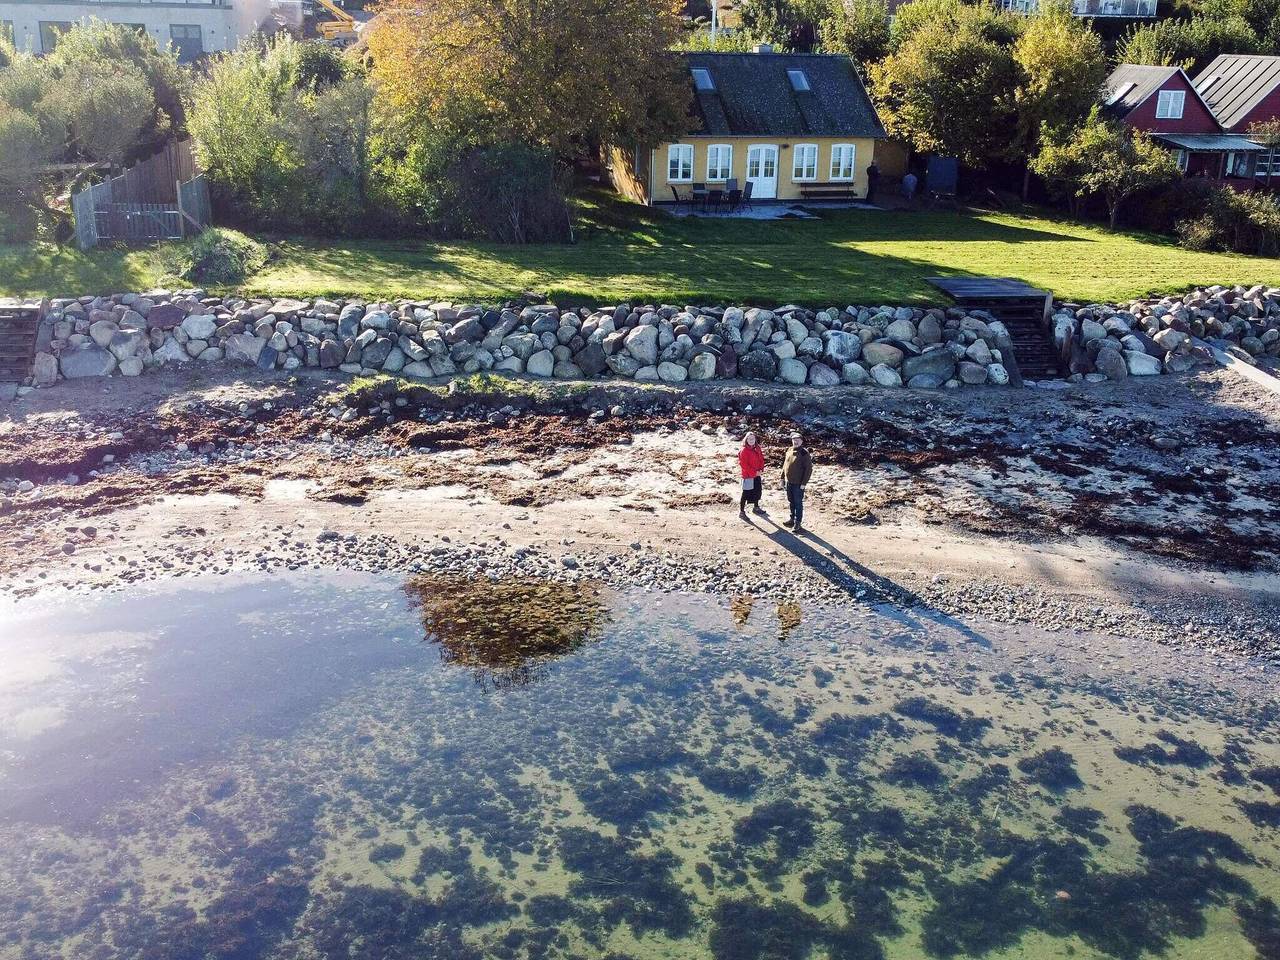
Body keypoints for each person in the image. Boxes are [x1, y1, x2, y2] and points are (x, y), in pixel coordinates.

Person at [780, 433, 812, 532]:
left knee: (798, 503)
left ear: (801, 441)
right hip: (788, 482)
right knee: (791, 501)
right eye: (794, 439)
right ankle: (792, 519)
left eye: (798, 439)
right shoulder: (789, 450)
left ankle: (798, 523)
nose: (796, 441)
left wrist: (804, 483)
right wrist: (782, 478)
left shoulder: (804, 453)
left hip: (798, 484)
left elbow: (808, 470)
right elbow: (785, 465)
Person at [738, 431, 765, 516]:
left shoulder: (757, 448)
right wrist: (754, 473)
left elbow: (761, 459)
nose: (751, 440)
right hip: (748, 475)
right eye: (749, 439)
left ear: (755, 439)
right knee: (746, 493)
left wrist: (761, 469)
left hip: (757, 474)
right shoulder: (744, 450)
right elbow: (743, 464)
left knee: (757, 491)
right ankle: (742, 512)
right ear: (746, 440)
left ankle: (756, 507)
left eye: (753, 438)